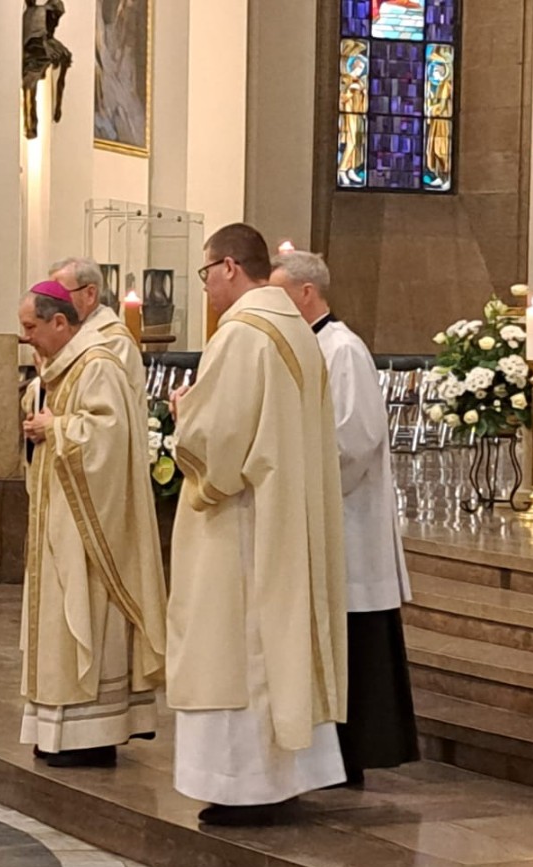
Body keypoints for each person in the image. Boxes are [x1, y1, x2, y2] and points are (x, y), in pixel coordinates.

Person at [166, 224, 348, 826]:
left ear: (228, 267)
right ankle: (284, 777)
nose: (205, 287)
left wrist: (183, 414)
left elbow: (220, 443)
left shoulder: (242, 333)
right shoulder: (296, 330)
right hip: (286, 516)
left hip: (242, 524)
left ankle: (243, 786)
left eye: (205, 273)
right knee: (276, 647)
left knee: (237, 649)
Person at [271, 249, 417, 786]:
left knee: (355, 643)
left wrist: (297, 480)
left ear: (307, 293)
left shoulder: (343, 349)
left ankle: (352, 755)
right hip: (315, 519)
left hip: (347, 522)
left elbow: (354, 440)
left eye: (279, 293)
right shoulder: (302, 348)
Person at [17, 281, 167, 768]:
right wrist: (38, 418)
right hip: (56, 516)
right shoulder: (59, 367)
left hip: (89, 525)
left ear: (60, 322)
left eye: (31, 327)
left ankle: (92, 733)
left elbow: (110, 437)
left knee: (84, 614)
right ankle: (57, 729)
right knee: (56, 622)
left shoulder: (98, 363)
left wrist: (56, 427)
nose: (26, 337)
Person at [49, 256, 145, 394]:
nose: (52, 303)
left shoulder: (114, 341)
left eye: (60, 293)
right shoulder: (66, 333)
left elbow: (105, 398)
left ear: (90, 294)